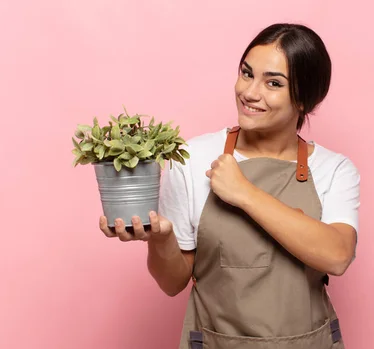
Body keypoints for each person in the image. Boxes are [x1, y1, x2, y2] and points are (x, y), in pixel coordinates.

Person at [99, 23, 360, 349]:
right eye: (246, 73)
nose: (250, 92)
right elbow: (171, 282)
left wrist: (244, 193)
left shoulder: (333, 169)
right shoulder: (192, 159)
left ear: (305, 99)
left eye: (273, 83)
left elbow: (337, 256)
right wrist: (162, 240)